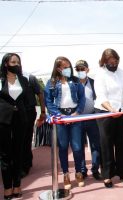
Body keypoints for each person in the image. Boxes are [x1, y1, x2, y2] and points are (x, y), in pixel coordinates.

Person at [44, 56, 86, 189]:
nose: (68, 69)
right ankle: (66, 174)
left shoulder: (75, 81)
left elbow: (82, 98)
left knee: (77, 147)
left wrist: (77, 112)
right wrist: (58, 115)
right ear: (58, 68)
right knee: (63, 147)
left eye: (69, 66)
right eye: (64, 67)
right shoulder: (51, 83)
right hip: (60, 117)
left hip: (74, 115)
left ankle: (78, 172)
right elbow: (48, 101)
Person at [94, 48, 123, 188]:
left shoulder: (122, 73)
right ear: (104, 62)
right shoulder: (100, 75)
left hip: (122, 112)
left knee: (122, 143)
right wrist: (111, 110)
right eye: (110, 62)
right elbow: (101, 96)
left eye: (115, 61)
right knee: (106, 145)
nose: (113, 64)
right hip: (105, 113)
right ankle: (107, 175)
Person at [0, 53, 29, 200]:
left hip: (21, 120)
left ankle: (17, 185)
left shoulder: (23, 80)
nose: (16, 64)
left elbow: (28, 100)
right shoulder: (0, 80)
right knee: (5, 155)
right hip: (3, 121)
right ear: (6, 64)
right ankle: (7, 188)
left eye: (18, 62)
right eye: (13, 62)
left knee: (18, 153)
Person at [74, 59, 102, 180]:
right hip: (78, 120)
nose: (80, 71)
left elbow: (100, 99)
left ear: (87, 69)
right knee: (79, 146)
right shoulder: (72, 84)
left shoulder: (94, 83)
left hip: (92, 118)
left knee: (96, 145)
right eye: (78, 69)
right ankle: (82, 170)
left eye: (82, 69)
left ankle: (95, 169)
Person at [21, 73, 46, 178]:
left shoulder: (29, 77)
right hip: (12, 112)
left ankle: (25, 165)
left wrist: (43, 111)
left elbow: (40, 94)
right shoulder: (4, 78)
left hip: (28, 111)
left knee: (26, 138)